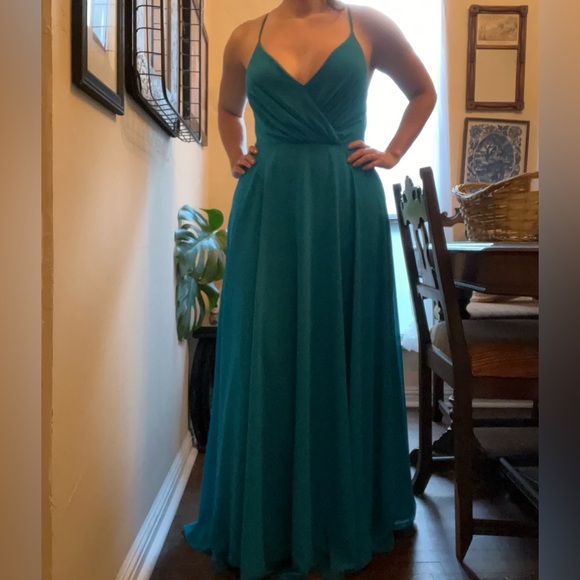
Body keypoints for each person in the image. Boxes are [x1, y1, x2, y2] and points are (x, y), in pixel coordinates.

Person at [183, 1, 437, 578]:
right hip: (269, 205)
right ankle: (269, 516)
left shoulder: (369, 25)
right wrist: (235, 152)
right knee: (268, 353)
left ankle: (339, 507)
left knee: (338, 346)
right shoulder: (244, 36)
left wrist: (393, 152)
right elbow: (227, 109)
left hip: (346, 206)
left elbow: (423, 92)